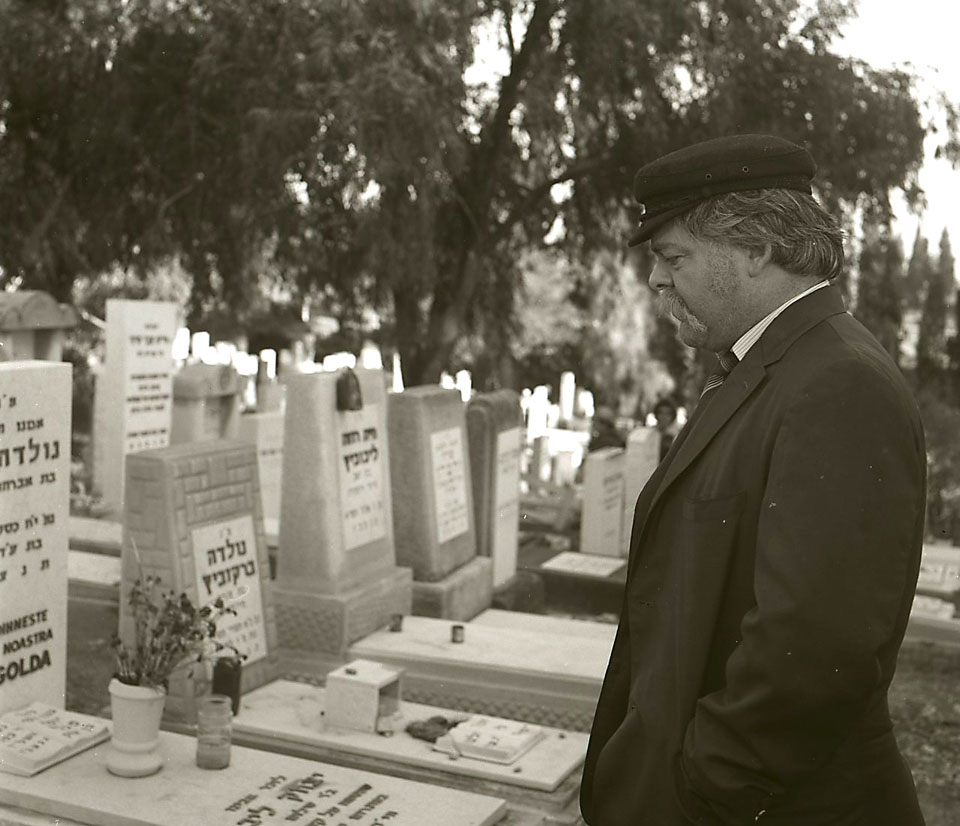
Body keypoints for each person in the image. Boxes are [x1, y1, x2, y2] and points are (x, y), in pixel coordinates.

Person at [580, 134, 927, 826]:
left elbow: (813, 649)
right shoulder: (779, 367)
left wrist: (703, 789)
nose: (655, 281)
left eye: (672, 256)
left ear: (757, 248)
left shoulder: (838, 385)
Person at [652, 396, 680, 461]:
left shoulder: (676, 436)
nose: (664, 417)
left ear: (673, 416)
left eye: (668, 413)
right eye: (661, 413)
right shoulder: (650, 434)